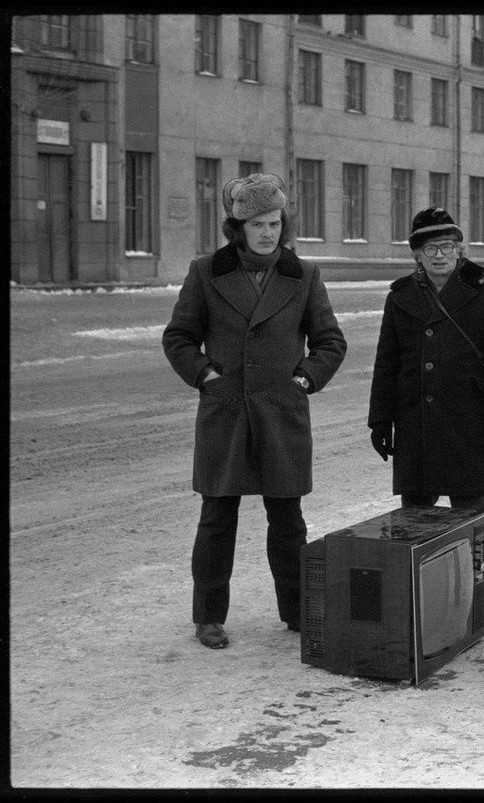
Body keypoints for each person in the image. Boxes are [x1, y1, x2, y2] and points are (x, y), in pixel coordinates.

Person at [162, 173, 348, 650]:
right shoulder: (207, 272)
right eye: (258, 224)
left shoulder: (302, 275)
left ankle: (296, 610)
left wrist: (304, 379)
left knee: (288, 521)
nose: (268, 233)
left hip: (281, 412)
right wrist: (206, 375)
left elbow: (330, 341)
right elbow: (179, 337)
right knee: (217, 518)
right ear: (237, 227)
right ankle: (208, 617)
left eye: (275, 223)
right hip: (226, 410)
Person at [368, 207, 484, 619]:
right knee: (415, 517)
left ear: (461, 249)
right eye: (430, 248)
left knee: (479, 512)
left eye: (447, 247)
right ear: (416, 254)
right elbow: (388, 362)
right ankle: (422, 602)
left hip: (469, 424)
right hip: (415, 423)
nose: (439, 256)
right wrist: (380, 420)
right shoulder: (400, 297)